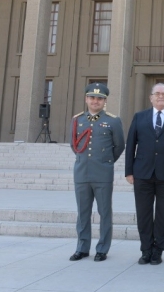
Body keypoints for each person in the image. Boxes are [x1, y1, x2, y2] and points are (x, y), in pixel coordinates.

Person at [125, 83, 164, 265]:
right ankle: (146, 250)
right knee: (143, 214)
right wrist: (129, 171)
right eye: (157, 94)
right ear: (151, 97)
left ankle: (158, 250)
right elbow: (131, 146)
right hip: (142, 174)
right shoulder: (139, 117)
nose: (161, 96)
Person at [69, 83, 125, 262]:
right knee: (83, 212)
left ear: (104, 101)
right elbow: (74, 145)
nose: (95, 101)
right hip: (82, 173)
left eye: (99, 98)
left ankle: (102, 248)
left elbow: (119, 146)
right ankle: (82, 247)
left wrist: (105, 162)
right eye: (92, 97)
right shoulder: (77, 120)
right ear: (86, 99)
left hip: (102, 174)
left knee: (104, 212)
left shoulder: (113, 120)